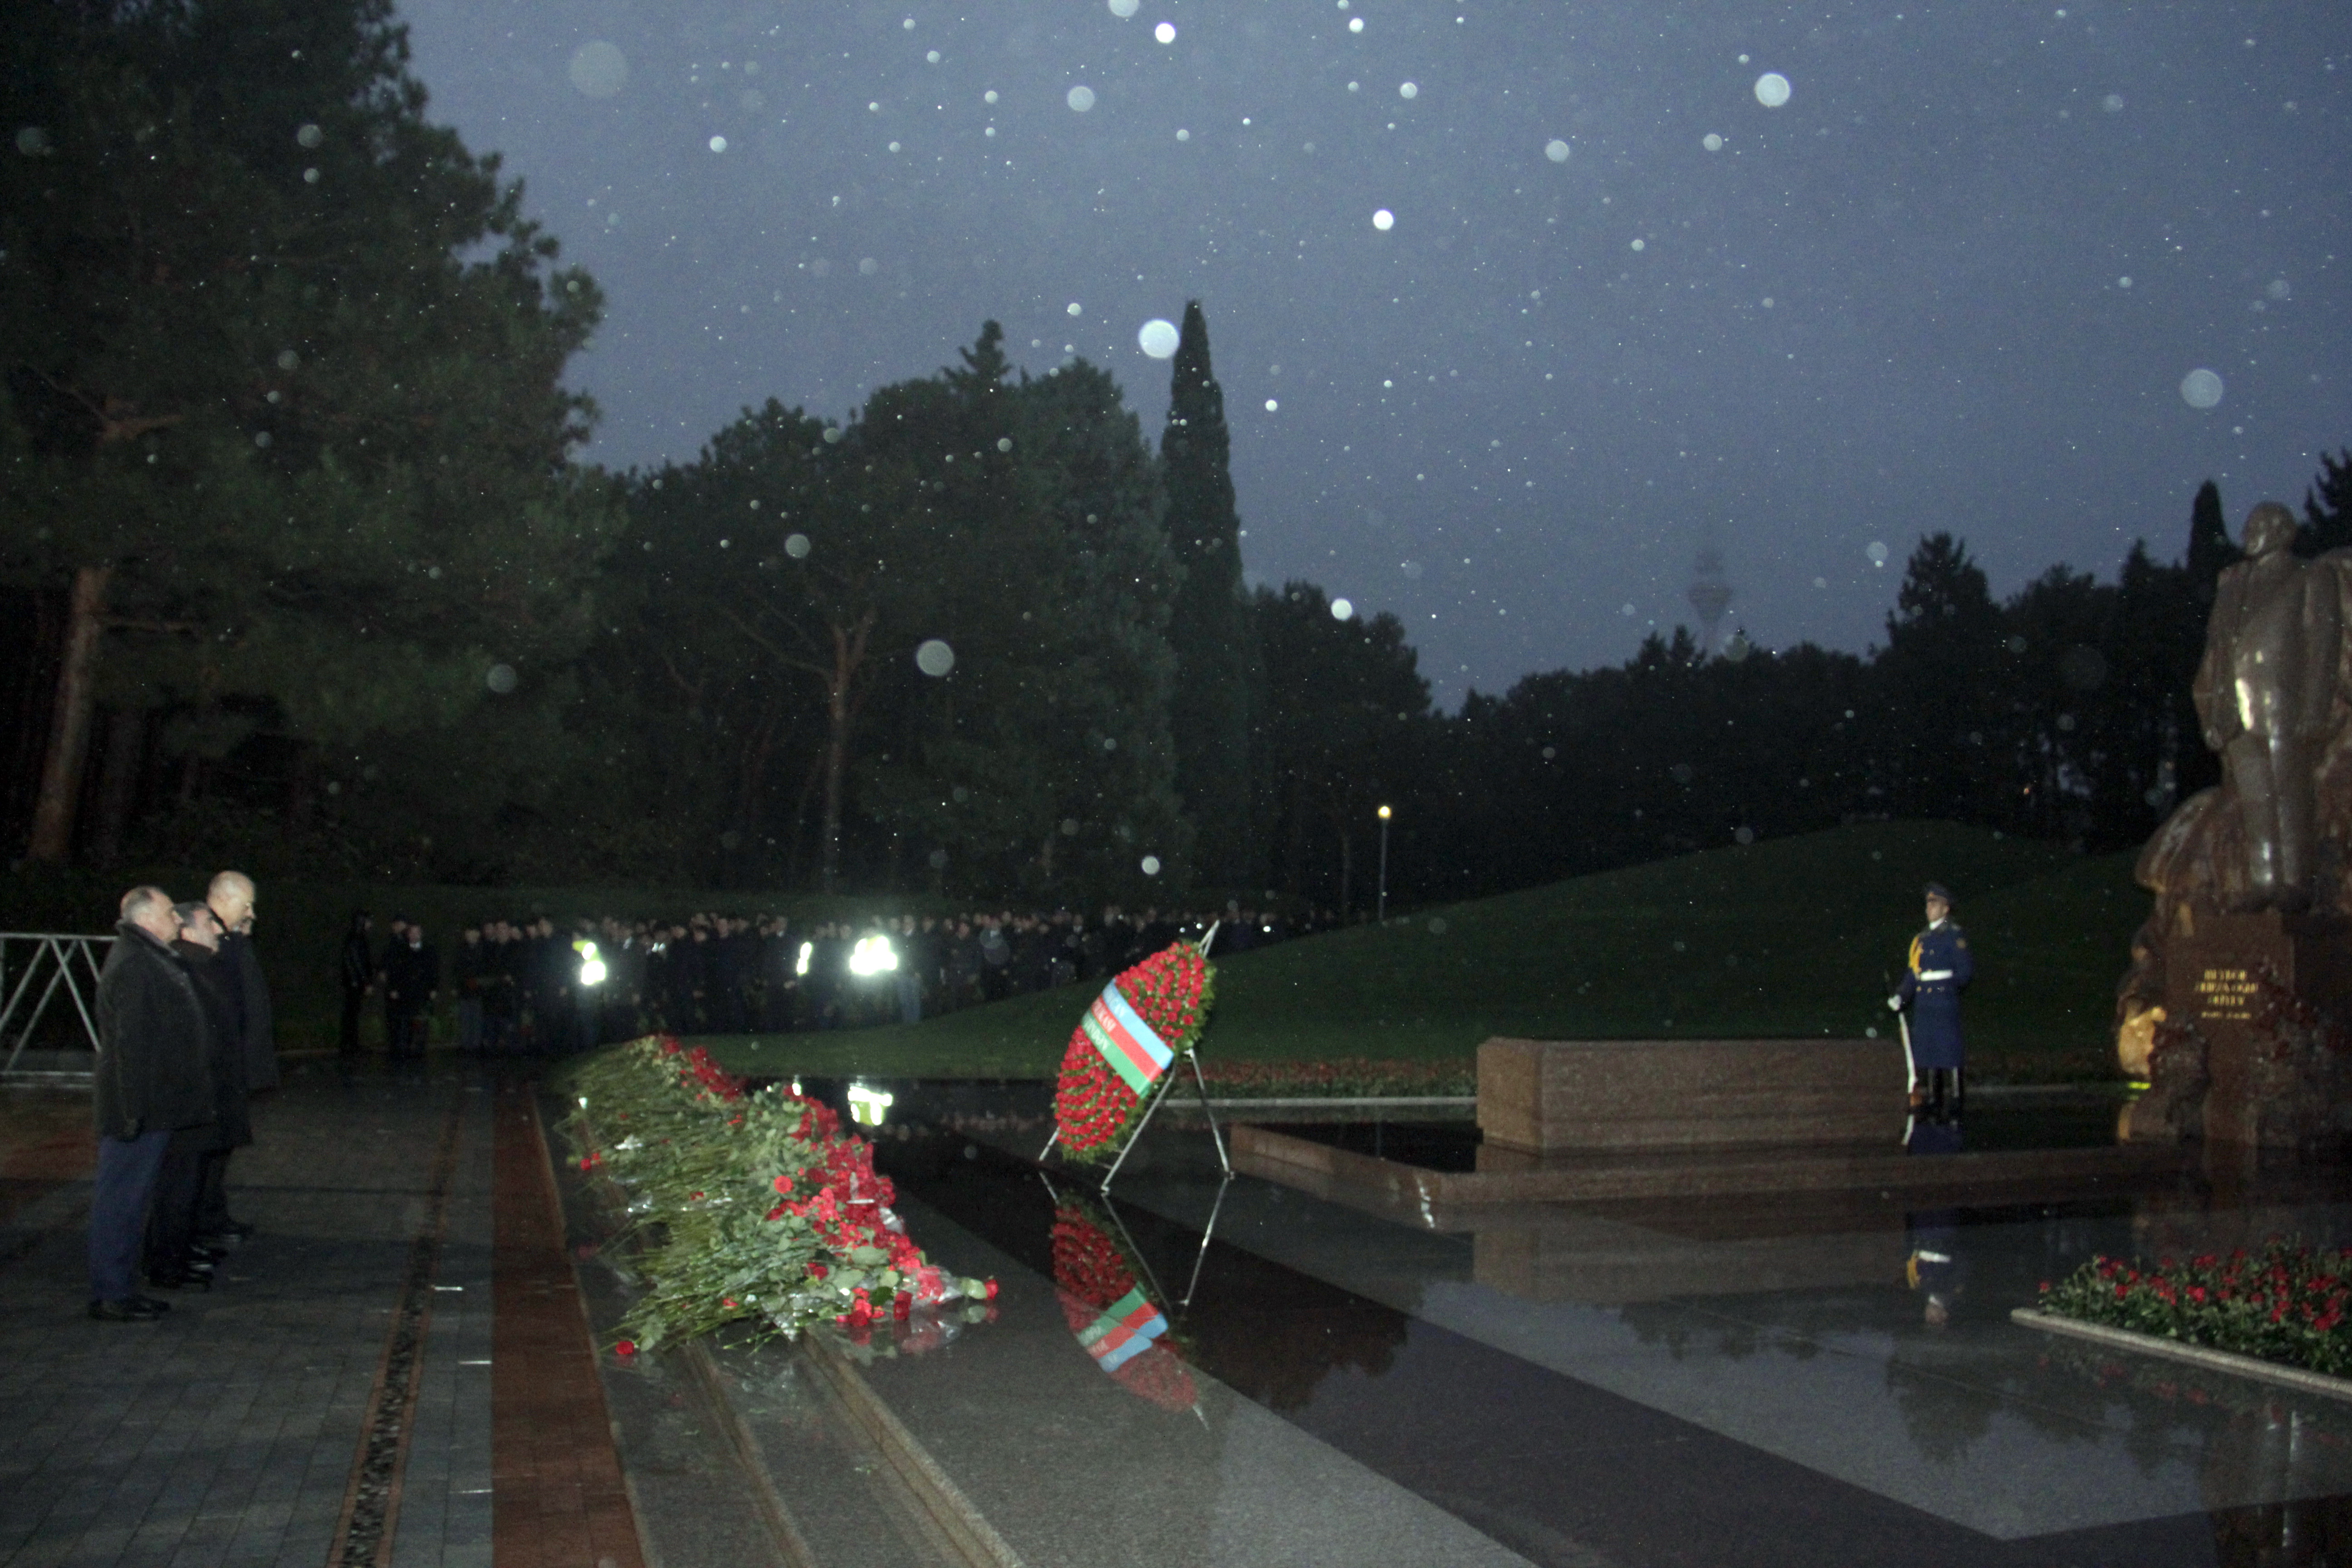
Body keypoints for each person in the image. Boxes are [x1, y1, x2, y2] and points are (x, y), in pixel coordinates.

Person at [88, 886, 215, 1322]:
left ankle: (120, 1286)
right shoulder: (137, 964)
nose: (178, 920)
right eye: (169, 913)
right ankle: (112, 1292)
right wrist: (130, 1114)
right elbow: (130, 1048)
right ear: (146, 920)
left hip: (148, 1108)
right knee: (122, 1202)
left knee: (131, 1201)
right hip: (137, 1111)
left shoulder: (148, 958)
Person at [145, 902, 244, 1291]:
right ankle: (168, 1262)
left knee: (190, 1182)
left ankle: (179, 1253)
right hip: (187, 1097)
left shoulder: (199, 966)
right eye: (208, 924)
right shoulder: (186, 968)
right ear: (188, 931)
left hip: (201, 1094)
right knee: (178, 1185)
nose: (217, 931)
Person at [198, 871, 273, 1245]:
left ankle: (212, 1215)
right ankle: (201, 1223)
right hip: (219, 1069)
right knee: (208, 1153)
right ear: (226, 900)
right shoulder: (207, 938)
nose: (252, 914)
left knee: (220, 1150)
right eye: (247, 905)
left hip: (235, 1066)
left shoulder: (232, 940)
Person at [1889, 882, 1973, 1115]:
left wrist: (1946, 988)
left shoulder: (1953, 935)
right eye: (1928, 903)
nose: (1929, 908)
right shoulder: (1922, 939)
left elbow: (1965, 971)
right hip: (1925, 1003)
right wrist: (1901, 995)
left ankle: (1956, 1099)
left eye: (1934, 903)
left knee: (1950, 1050)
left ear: (1946, 909)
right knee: (1930, 1051)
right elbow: (1914, 972)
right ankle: (1935, 1099)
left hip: (1943, 1001)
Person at [382, 921, 439, 1060]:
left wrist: (433, 988)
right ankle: (405, 1051)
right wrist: (393, 988)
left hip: (422, 992)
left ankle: (420, 1052)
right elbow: (395, 971)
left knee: (421, 1023)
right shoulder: (401, 950)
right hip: (405, 992)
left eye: (417, 932)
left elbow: (434, 971)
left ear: (421, 934)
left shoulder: (429, 950)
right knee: (405, 1023)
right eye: (412, 933)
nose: (414, 935)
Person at [338, 911, 375, 1055]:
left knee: (352, 1013)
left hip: (354, 982)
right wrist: (365, 981)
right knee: (352, 1013)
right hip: (355, 983)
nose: (371, 924)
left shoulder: (356, 938)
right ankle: (350, 1044)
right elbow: (357, 962)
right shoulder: (357, 939)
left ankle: (350, 1044)